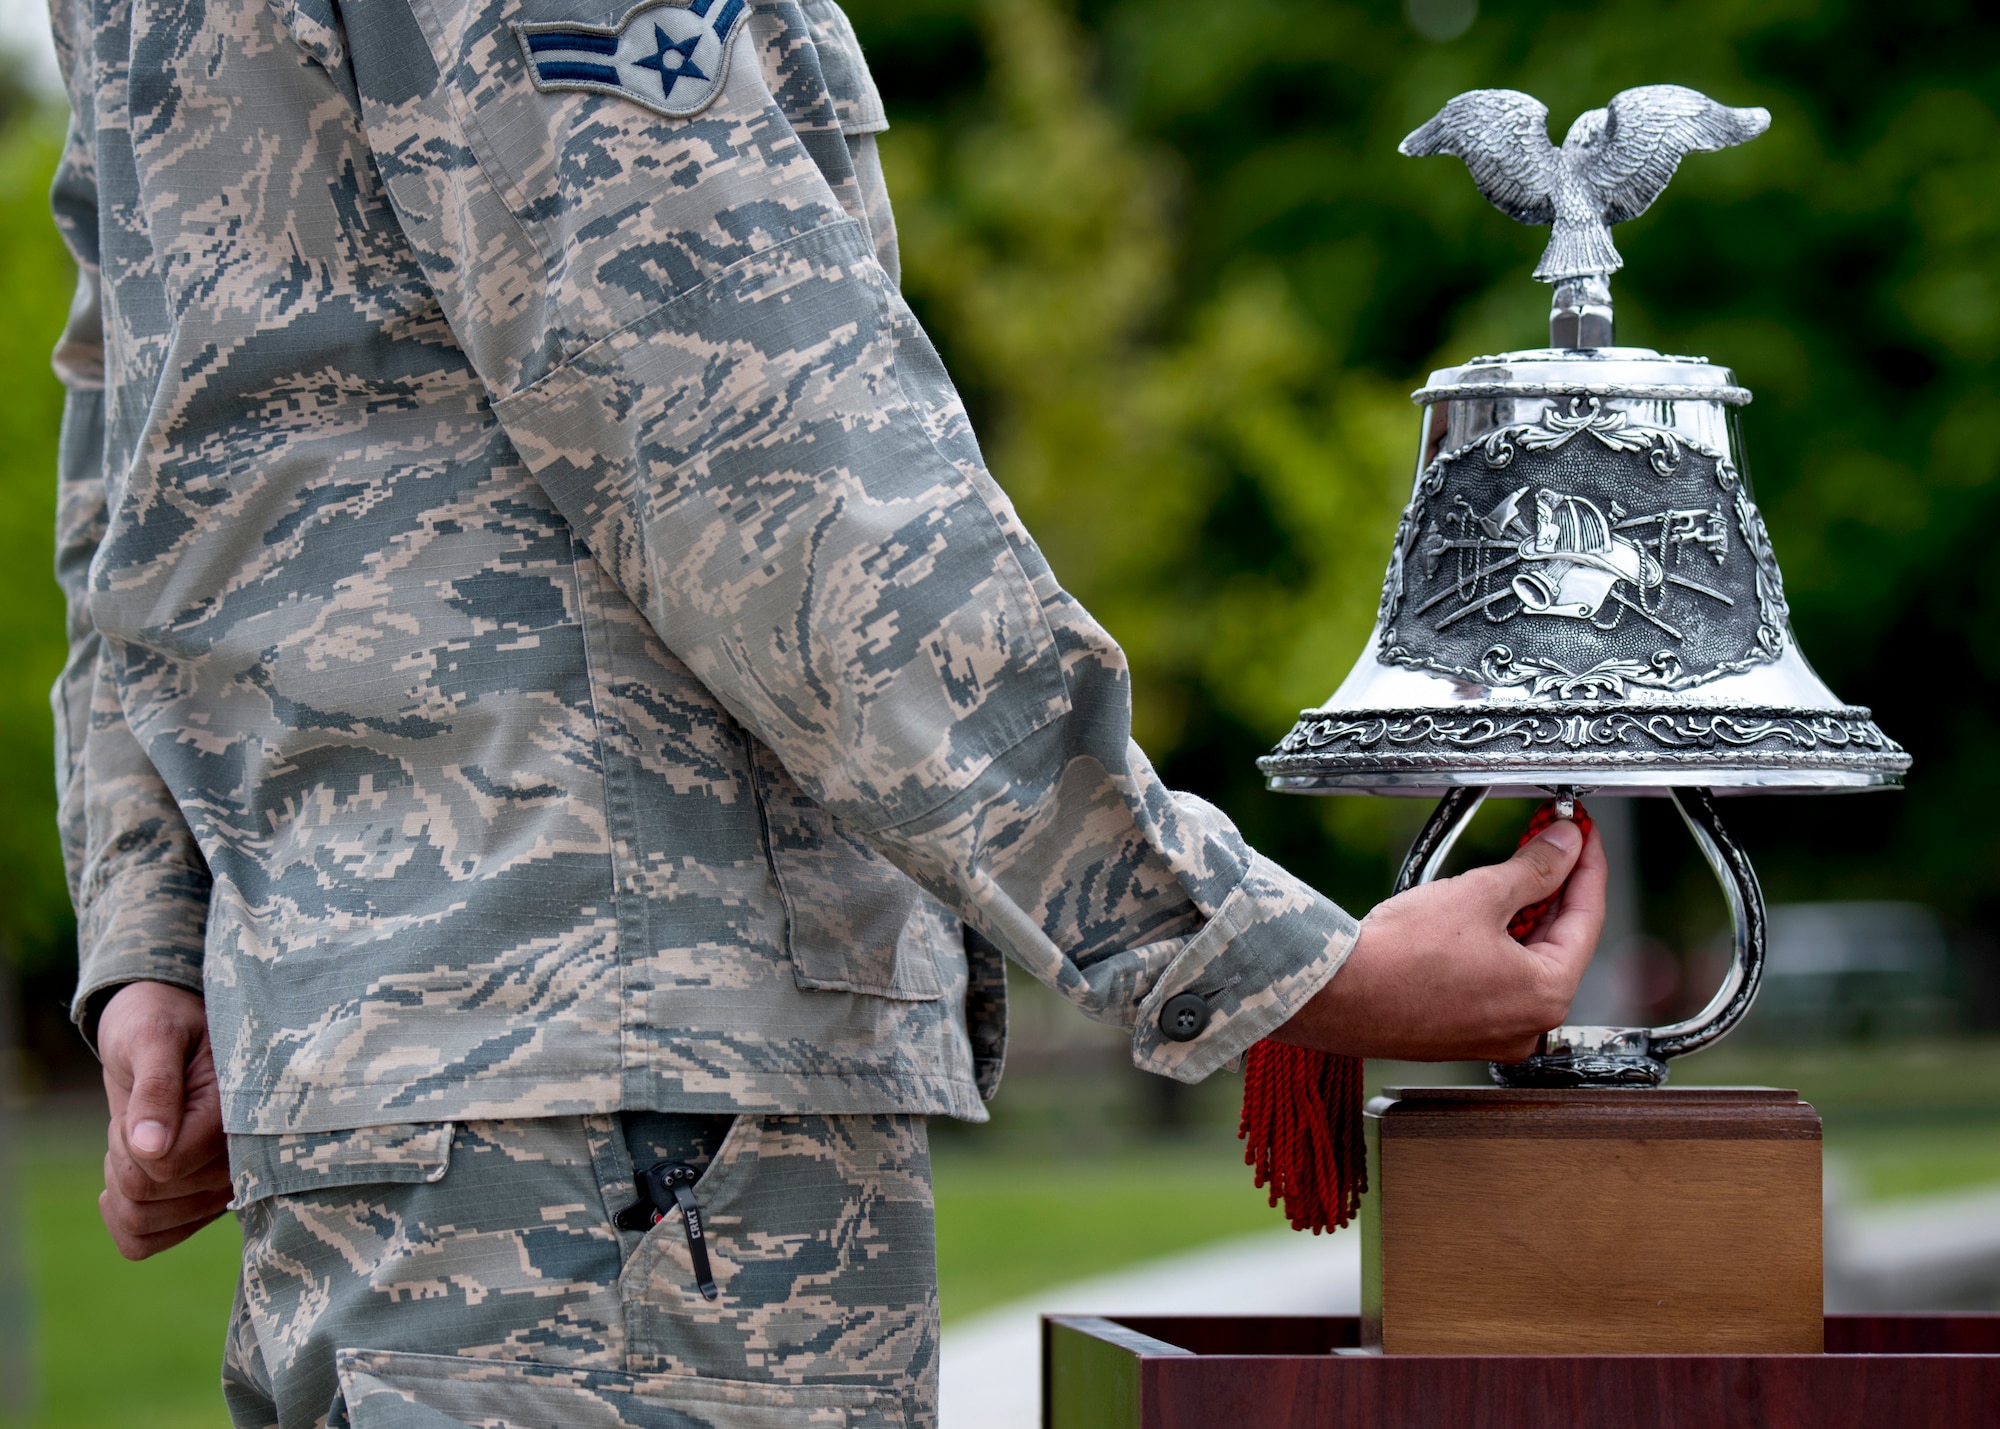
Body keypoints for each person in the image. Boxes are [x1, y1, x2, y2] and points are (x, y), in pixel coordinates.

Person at [54, 0, 1607, 1424]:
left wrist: (154, 940)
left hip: (410, 1104)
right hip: (626, 1129)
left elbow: (147, 453)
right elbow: (763, 469)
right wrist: (1259, 956)